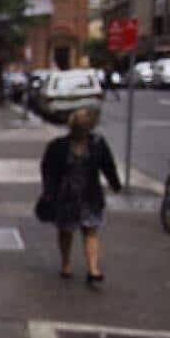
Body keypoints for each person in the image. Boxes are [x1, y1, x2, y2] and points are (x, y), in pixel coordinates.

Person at [39, 108, 122, 285]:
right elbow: (48, 171)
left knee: (88, 230)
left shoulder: (97, 144)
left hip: (88, 195)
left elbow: (108, 166)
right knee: (69, 231)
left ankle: (92, 269)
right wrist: (48, 192)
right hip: (67, 195)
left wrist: (115, 183)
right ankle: (67, 263)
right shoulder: (59, 146)